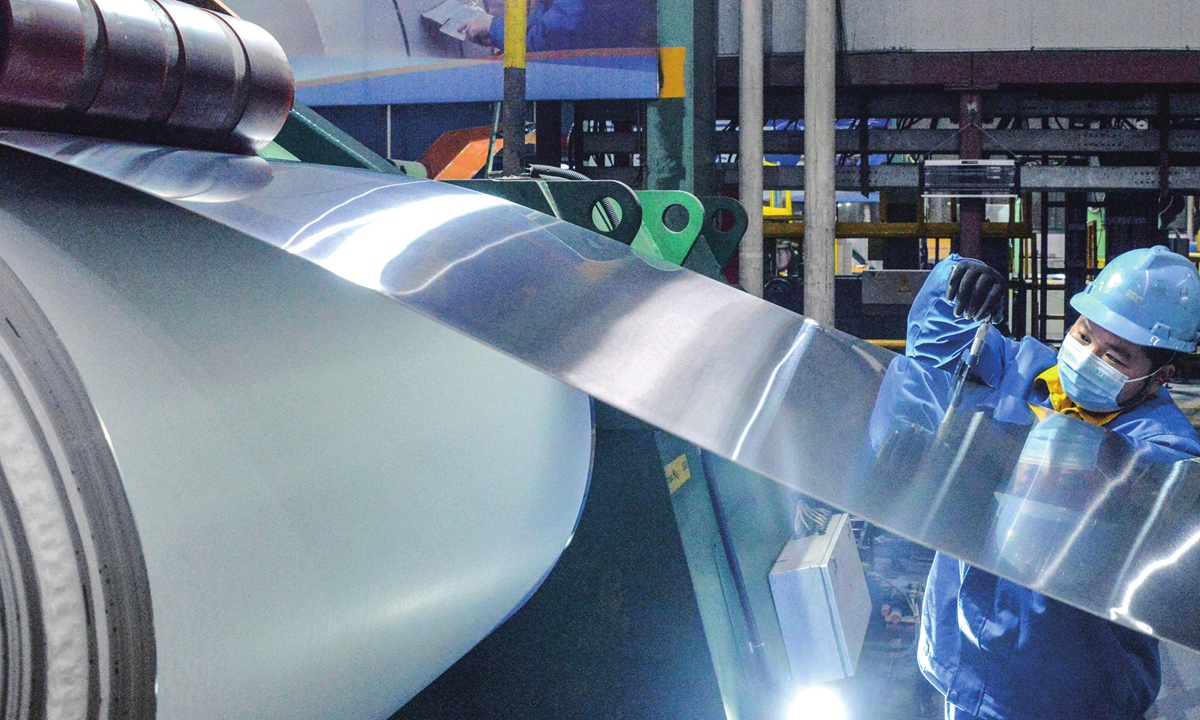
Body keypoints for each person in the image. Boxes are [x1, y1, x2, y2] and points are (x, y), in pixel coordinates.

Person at [908, 246, 1200, 720]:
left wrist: (985, 453)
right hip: (965, 658)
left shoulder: (1166, 453)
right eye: (1084, 336)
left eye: (1116, 356)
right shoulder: (1024, 371)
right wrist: (954, 284)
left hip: (1067, 687)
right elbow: (933, 353)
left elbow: (1083, 504)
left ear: (1160, 376)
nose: (1088, 358)